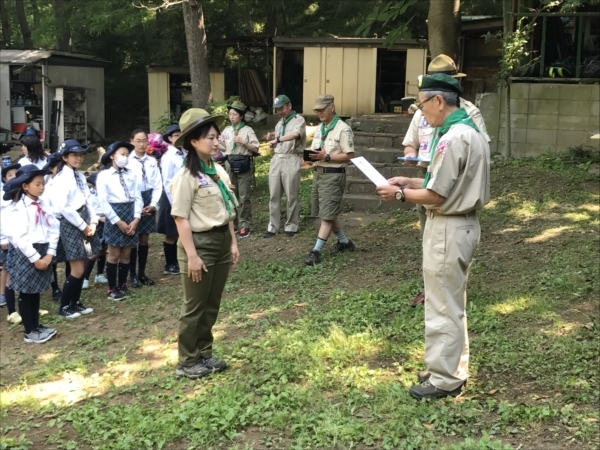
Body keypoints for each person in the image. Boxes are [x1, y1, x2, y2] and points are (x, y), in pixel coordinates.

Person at [376, 74, 490, 399]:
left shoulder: (451, 138)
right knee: (452, 302)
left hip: (447, 227)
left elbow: (438, 196)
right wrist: (409, 183)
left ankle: (444, 379)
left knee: (441, 304)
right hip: (463, 223)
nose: (421, 113)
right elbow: (447, 185)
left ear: (439, 101)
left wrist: (398, 195)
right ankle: (451, 367)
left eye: (422, 104)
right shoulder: (473, 130)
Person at [402, 54, 489, 307]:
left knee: (444, 310)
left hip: (449, 199)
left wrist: (399, 193)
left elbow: (475, 157)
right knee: (435, 257)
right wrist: (412, 163)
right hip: (430, 180)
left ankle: (446, 287)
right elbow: (411, 142)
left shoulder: (465, 120)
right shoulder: (426, 111)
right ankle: (437, 286)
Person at [170, 108, 239, 379]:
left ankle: (204, 354)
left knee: (212, 303)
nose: (215, 141)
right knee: (194, 306)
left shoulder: (218, 171)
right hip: (199, 244)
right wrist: (192, 255)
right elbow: (180, 219)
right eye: (209, 137)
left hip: (221, 241)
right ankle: (187, 361)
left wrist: (233, 242)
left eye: (216, 136)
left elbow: (228, 209)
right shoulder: (186, 176)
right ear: (193, 142)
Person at [8, 165, 60, 343]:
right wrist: (35, 258)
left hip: (43, 251)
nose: (42, 187)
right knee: (26, 292)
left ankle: (36, 325)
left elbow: (54, 227)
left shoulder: (44, 203)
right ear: (25, 186)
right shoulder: (20, 208)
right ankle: (29, 331)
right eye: (37, 184)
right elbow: (20, 238)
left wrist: (50, 253)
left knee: (36, 291)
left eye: (43, 183)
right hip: (28, 253)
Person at [304, 94, 355, 266]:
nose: (319, 113)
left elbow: (349, 156)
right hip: (319, 174)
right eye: (317, 110)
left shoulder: (343, 129)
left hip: (333, 175)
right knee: (326, 212)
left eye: (322, 109)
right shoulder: (320, 128)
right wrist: (310, 157)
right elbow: (315, 150)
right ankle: (345, 242)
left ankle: (315, 251)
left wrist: (326, 157)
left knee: (326, 217)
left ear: (332, 107)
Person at [53, 140, 101, 318]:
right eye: (74, 155)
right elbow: (64, 208)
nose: (79, 158)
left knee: (84, 262)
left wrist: (94, 221)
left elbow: (88, 200)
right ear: (65, 157)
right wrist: (83, 226)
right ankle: (64, 307)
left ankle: (76, 302)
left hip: (86, 220)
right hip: (71, 222)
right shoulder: (61, 179)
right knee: (77, 268)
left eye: (81, 155)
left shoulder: (79, 176)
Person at [96, 141, 143, 301]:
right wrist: (118, 221)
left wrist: (136, 218)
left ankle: (122, 284)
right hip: (114, 215)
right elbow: (103, 202)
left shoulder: (132, 174)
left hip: (130, 213)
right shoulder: (104, 176)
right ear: (112, 156)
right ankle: (112, 287)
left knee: (127, 253)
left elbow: (138, 197)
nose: (125, 157)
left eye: (126, 155)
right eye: (122, 154)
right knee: (114, 254)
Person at [264, 95, 306, 238]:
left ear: (289, 106)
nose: (279, 112)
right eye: (277, 109)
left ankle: (291, 225)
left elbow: (295, 134)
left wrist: (278, 138)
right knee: (274, 195)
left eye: (281, 108)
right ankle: (273, 226)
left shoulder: (299, 120)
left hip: (291, 158)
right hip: (277, 159)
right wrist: (273, 139)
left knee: (291, 195)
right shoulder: (279, 123)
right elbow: (279, 138)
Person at [128, 129, 163, 287]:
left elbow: (157, 184)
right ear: (132, 142)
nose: (142, 144)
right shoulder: (127, 161)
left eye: (144, 141)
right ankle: (132, 275)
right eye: (138, 141)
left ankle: (142, 272)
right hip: (133, 199)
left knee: (144, 238)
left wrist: (153, 204)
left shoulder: (151, 161)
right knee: (132, 237)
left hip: (149, 199)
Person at [219, 101, 259, 238]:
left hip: (244, 162)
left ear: (241, 116)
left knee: (244, 196)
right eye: (230, 114)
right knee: (231, 194)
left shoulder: (248, 130)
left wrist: (244, 142)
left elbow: (256, 148)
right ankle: (233, 224)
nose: (232, 117)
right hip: (230, 162)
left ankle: (245, 225)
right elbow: (224, 147)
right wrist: (217, 143)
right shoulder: (226, 130)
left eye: (235, 114)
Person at [39, 152, 67, 300]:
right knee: (53, 258)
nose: (52, 170)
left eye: (54, 167)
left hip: (67, 220)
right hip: (52, 223)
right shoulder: (46, 182)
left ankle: (69, 285)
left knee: (70, 257)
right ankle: (55, 288)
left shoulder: (66, 180)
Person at [157, 124, 183, 275]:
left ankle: (179, 260)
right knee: (171, 233)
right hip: (171, 197)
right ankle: (170, 264)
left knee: (182, 230)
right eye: (175, 135)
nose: (178, 138)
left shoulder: (183, 153)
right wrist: (174, 203)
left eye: (181, 134)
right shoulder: (168, 156)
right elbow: (167, 182)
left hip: (183, 196)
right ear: (170, 139)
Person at [0, 166, 21, 324]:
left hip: (21, 242)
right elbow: (3, 221)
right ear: (4, 178)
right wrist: (3, 239)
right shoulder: (4, 198)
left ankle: (24, 308)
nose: (14, 177)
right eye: (10, 174)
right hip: (8, 242)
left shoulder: (22, 196)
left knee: (21, 275)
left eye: (16, 174)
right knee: (9, 274)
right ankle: (12, 311)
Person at [81, 172, 108, 289]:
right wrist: (101, 219)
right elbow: (91, 212)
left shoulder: (104, 194)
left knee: (103, 250)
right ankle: (85, 278)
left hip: (107, 222)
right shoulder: (91, 195)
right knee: (94, 252)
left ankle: (100, 274)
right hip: (96, 224)